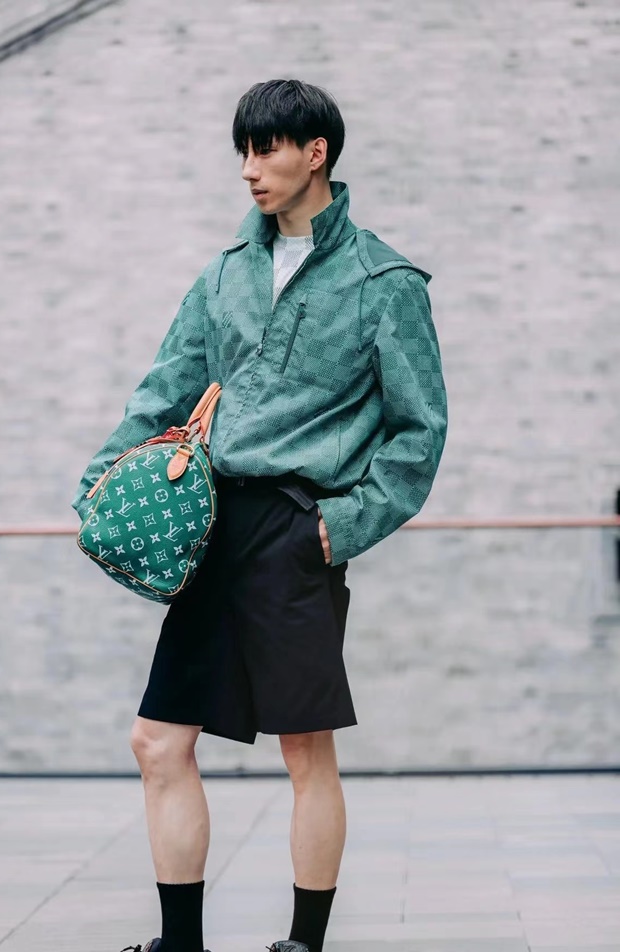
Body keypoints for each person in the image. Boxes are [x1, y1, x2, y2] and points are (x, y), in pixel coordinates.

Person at [72, 78, 448, 952]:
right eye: (243, 150)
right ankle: (180, 944)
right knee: (158, 741)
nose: (249, 168)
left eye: (266, 149)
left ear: (315, 153)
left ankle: (303, 944)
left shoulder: (384, 281)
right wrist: (99, 483)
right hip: (210, 526)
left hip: (296, 530)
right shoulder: (225, 274)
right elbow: (164, 390)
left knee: (304, 751)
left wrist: (338, 528)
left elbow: (419, 432)